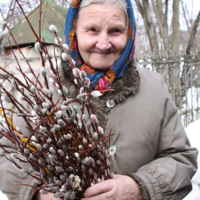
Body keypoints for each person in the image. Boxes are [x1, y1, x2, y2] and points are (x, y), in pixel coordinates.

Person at [0, 0, 198, 200]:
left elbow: (181, 159)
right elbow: (7, 155)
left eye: (115, 31)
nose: (103, 44)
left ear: (129, 32)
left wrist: (139, 187)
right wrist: (38, 194)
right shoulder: (41, 89)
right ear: (74, 31)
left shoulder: (154, 88)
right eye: (92, 30)